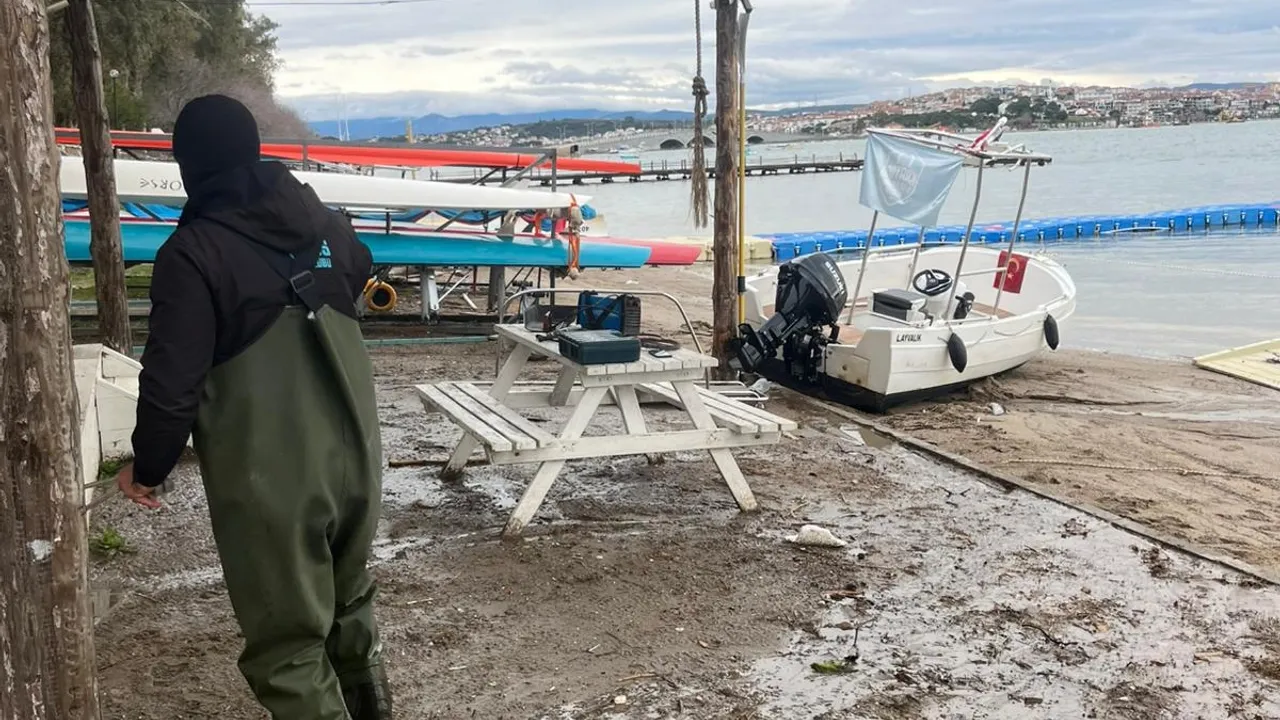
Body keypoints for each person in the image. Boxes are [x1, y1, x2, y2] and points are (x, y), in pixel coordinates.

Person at [112, 94, 393, 720]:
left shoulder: (193, 253)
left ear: (189, 166)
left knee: (288, 645)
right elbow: (358, 268)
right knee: (349, 605)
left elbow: (172, 382)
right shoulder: (327, 223)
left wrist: (149, 466)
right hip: (359, 458)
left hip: (276, 478)